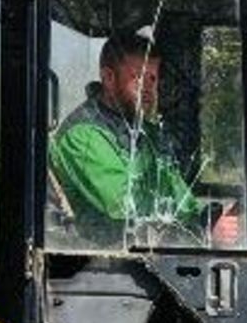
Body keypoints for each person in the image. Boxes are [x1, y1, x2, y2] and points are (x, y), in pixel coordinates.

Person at [49, 30, 203, 246]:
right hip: (100, 262)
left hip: (145, 252)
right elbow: (125, 206)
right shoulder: (83, 135)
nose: (149, 88)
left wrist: (204, 220)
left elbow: (178, 194)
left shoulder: (148, 133)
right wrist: (193, 229)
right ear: (109, 78)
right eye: (138, 77)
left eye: (153, 78)